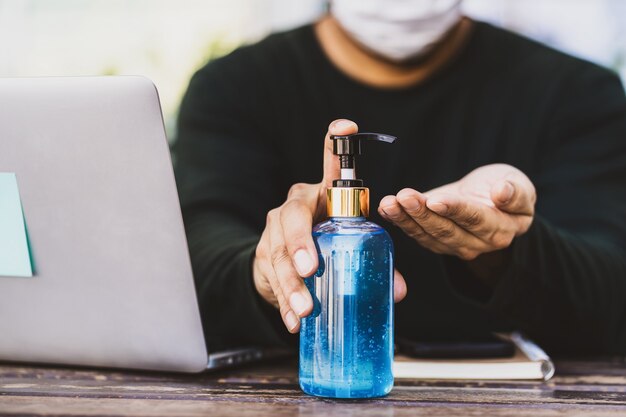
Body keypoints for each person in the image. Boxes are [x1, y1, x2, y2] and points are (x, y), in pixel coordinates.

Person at [173, 0, 626, 355]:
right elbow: (191, 252)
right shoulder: (231, 89)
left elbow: (610, 294)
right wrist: (266, 270)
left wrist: (506, 245)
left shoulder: (578, 94)